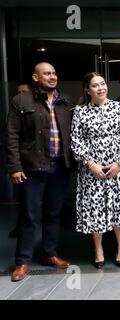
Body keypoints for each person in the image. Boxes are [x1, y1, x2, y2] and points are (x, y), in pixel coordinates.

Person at [7, 62, 73, 281]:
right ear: (36, 78)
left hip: (59, 166)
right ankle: (23, 261)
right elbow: (12, 135)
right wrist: (14, 166)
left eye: (54, 73)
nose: (52, 76)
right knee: (29, 215)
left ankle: (49, 254)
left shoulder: (66, 101)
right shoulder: (21, 101)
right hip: (32, 167)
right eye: (47, 73)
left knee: (53, 214)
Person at [71, 72, 120, 269]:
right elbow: (76, 140)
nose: (101, 88)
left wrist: (119, 163)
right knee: (95, 210)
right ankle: (98, 249)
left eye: (103, 84)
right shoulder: (80, 112)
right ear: (88, 90)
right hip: (92, 171)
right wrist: (91, 164)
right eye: (95, 85)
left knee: (119, 209)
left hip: (118, 169)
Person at [8, 81, 33, 239]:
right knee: (25, 203)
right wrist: (14, 166)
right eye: (18, 92)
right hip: (21, 166)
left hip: (36, 163)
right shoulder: (16, 110)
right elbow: (10, 136)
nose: (20, 95)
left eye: (24, 92)